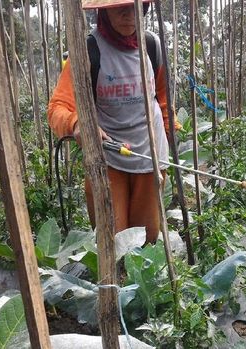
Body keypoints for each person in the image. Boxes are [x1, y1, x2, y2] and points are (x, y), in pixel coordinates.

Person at [48, 0, 179, 245]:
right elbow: (58, 107)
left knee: (147, 239)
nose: (128, 14)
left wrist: (169, 130)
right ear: (104, 11)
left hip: (149, 157)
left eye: (135, 7)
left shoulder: (151, 47)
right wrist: (79, 125)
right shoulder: (88, 51)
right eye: (119, 6)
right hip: (109, 157)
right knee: (112, 239)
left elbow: (161, 98)